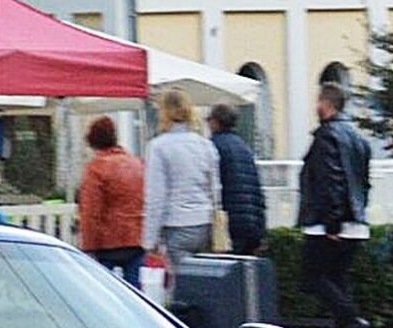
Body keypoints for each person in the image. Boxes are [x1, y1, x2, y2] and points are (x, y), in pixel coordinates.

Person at [297, 81, 374, 328]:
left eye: (318, 101)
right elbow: (363, 183)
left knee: (314, 276)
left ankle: (352, 322)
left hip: (328, 223)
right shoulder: (357, 138)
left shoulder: (326, 136)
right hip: (354, 222)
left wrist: (332, 222)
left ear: (326, 104)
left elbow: (331, 181)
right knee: (338, 279)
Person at [140, 88, 220, 263]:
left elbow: (156, 196)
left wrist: (149, 240)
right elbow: (215, 189)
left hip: (176, 223)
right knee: (204, 281)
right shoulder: (205, 145)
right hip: (204, 223)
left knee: (180, 285)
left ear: (164, 112)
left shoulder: (158, 147)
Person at [74, 116, 147, 282]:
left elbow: (91, 211)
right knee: (135, 292)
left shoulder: (96, 168)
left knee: (103, 288)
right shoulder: (137, 163)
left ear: (93, 142)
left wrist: (88, 246)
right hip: (136, 237)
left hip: (107, 241)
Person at [209, 103, 267, 253]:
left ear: (215, 122)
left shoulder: (213, 147)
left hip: (229, 221)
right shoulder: (245, 148)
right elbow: (257, 190)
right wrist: (261, 230)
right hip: (251, 223)